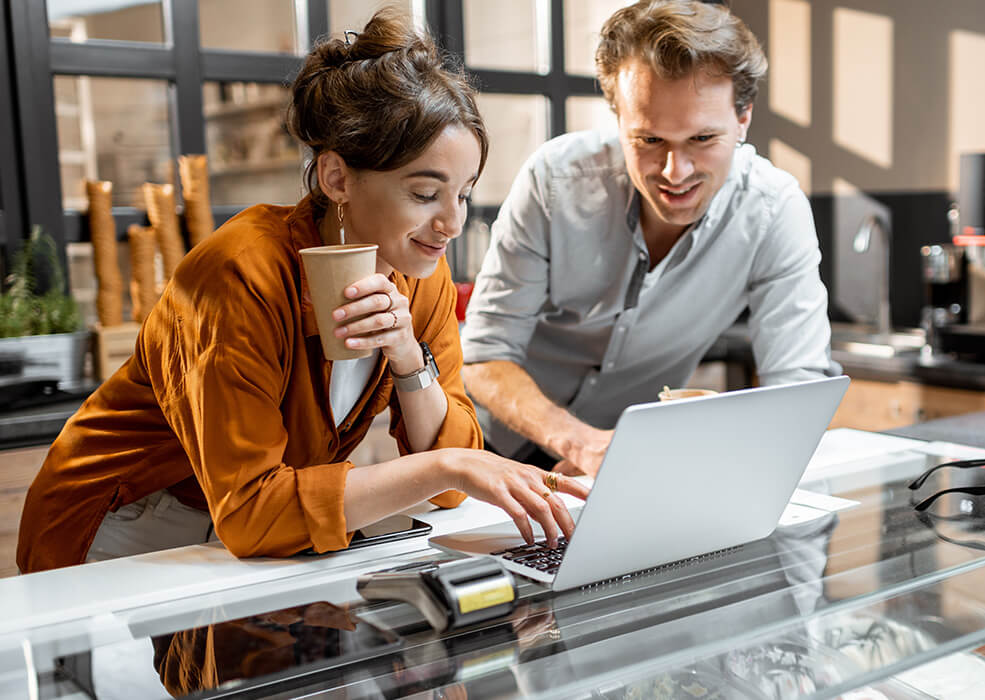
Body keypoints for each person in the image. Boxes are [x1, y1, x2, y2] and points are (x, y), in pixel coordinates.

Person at [17, 10, 587, 574]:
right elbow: (252, 508)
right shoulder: (239, 273)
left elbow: (450, 485)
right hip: (121, 522)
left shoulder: (422, 276)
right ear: (337, 178)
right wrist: (447, 468)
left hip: (248, 534)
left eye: (463, 194)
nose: (452, 223)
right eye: (423, 193)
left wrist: (410, 358)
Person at [460, 0, 835, 477]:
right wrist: (581, 444)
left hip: (624, 464)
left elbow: (797, 387)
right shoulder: (554, 180)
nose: (675, 173)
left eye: (702, 140)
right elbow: (486, 356)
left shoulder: (773, 210)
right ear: (617, 119)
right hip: (495, 444)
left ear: (743, 118)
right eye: (650, 141)